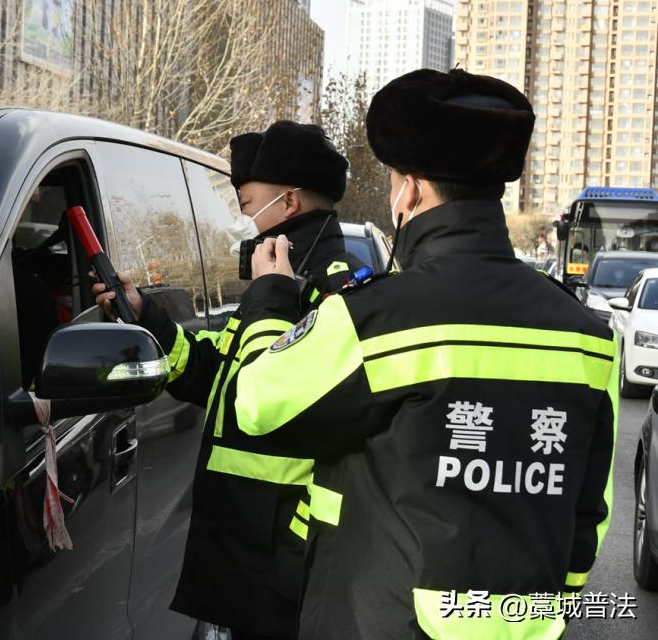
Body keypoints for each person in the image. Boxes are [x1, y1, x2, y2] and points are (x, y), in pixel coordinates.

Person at [235, 69, 619, 639]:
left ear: (408, 191)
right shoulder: (589, 334)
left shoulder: (374, 318)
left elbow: (258, 405)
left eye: (394, 182)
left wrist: (269, 301)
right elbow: (592, 507)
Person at [94, 121, 366, 640]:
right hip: (248, 553)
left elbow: (275, 398)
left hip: (289, 563)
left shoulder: (338, 293)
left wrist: (273, 296)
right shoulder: (276, 278)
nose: (244, 217)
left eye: (248, 202)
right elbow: (219, 372)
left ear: (287, 202)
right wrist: (145, 314)